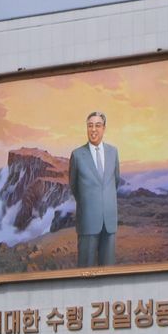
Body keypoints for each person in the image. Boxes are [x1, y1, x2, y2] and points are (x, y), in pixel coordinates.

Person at [69, 111, 121, 268]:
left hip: (109, 222)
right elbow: (74, 187)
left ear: (104, 128)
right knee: (85, 274)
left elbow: (115, 182)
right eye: (90, 126)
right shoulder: (77, 155)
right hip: (87, 222)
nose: (93, 130)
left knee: (109, 273)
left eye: (97, 125)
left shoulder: (113, 152)